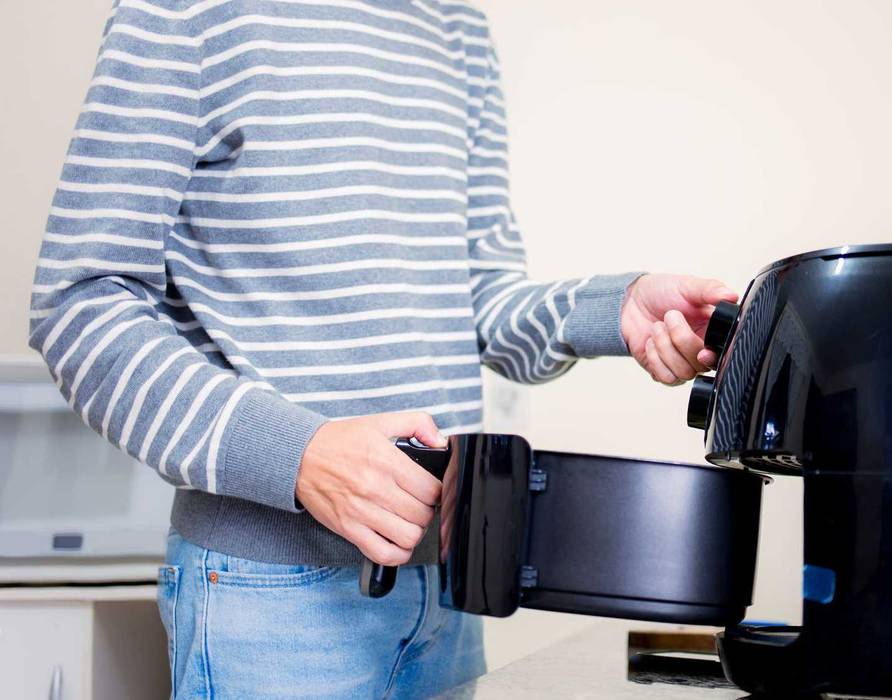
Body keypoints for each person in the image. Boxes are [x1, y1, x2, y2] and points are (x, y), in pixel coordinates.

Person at [27, 1, 736, 697]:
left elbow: (477, 295)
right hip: (268, 595)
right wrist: (298, 453)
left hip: (446, 585)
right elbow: (79, 306)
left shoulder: (455, 26)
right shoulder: (184, 11)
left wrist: (614, 309)